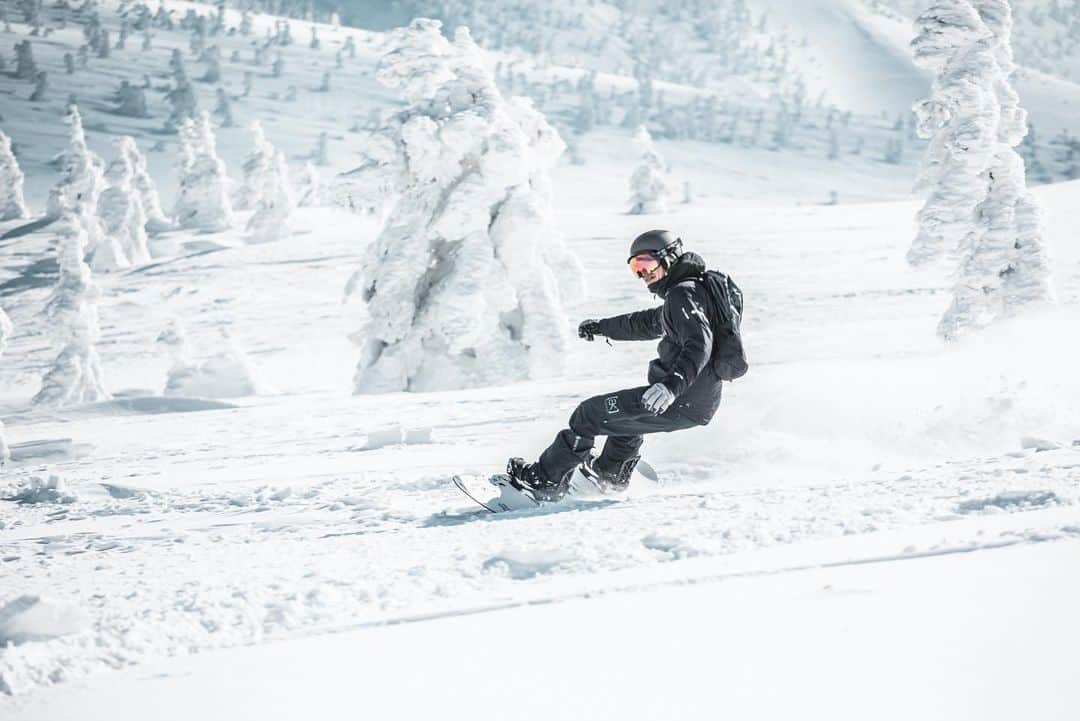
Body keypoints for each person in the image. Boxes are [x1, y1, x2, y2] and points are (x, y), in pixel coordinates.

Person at [507, 229, 725, 501]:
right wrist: (602, 327)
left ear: (668, 258)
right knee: (624, 418)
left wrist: (671, 386)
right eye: (635, 267)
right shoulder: (691, 291)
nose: (642, 273)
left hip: (681, 397)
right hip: (694, 400)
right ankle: (609, 475)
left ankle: (543, 481)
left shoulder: (683, 294)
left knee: (588, 415)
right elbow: (648, 322)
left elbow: (699, 344)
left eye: (646, 263)